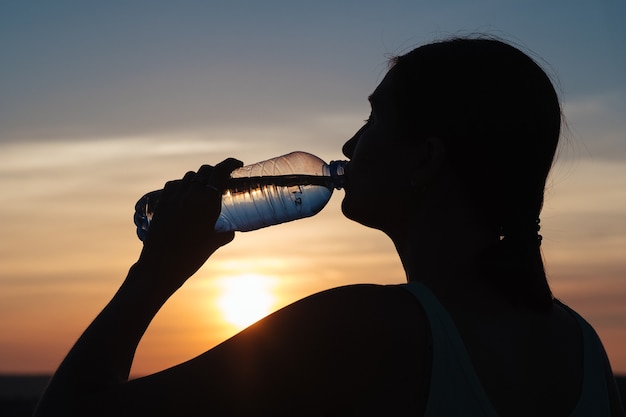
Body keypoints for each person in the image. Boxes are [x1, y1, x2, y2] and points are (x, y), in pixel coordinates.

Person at [34, 37, 624, 417]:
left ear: (424, 159)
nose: (348, 145)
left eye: (373, 119)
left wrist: (156, 270)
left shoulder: (362, 329)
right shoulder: (583, 348)